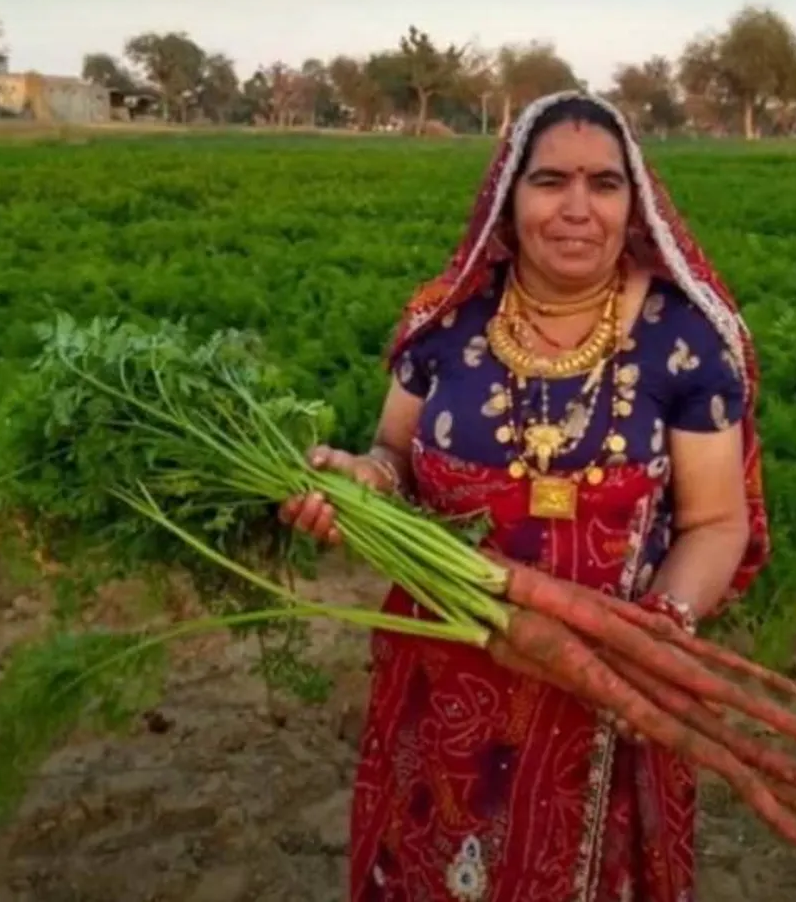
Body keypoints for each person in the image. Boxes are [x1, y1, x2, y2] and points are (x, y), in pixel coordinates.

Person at [279, 90, 771, 902]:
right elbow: (392, 452)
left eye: (604, 184)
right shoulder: (445, 320)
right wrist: (362, 484)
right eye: (550, 181)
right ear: (508, 197)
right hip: (442, 683)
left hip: (612, 685)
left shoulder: (684, 341)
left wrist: (657, 632)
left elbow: (716, 524)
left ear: (634, 199)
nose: (577, 209)